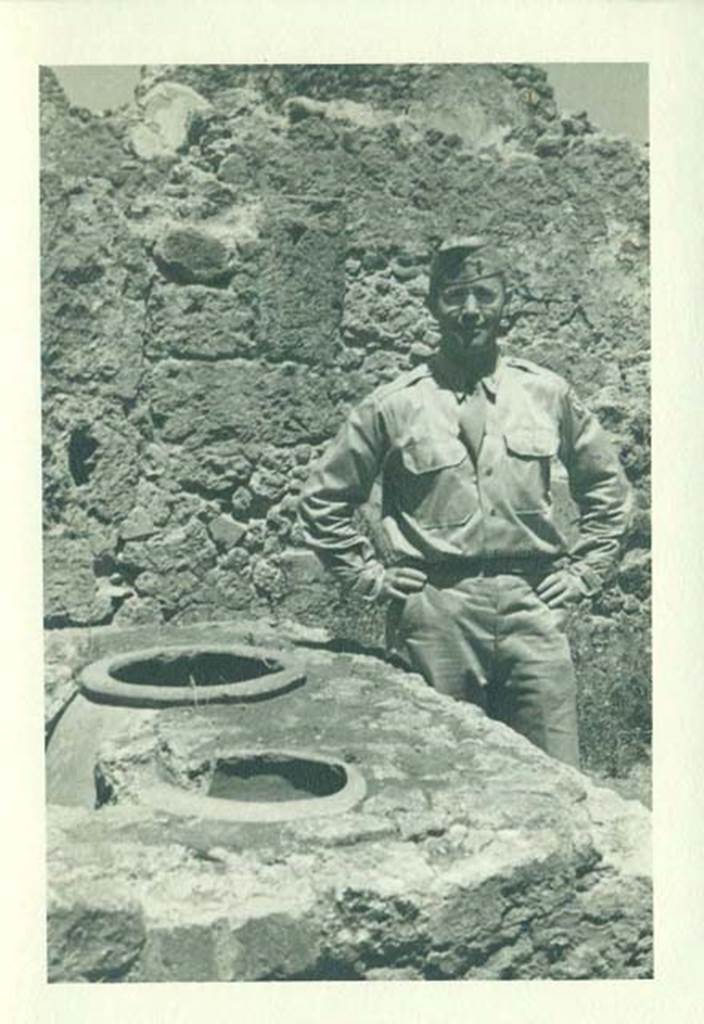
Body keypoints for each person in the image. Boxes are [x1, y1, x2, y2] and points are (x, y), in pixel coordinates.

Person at [299, 235, 631, 767]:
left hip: (534, 606)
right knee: (437, 773)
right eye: (454, 297)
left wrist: (584, 573)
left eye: (484, 296)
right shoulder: (396, 403)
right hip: (436, 614)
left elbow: (609, 491)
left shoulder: (546, 393)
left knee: (555, 778)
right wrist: (371, 577)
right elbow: (323, 499)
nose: (470, 311)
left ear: (506, 305)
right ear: (433, 305)